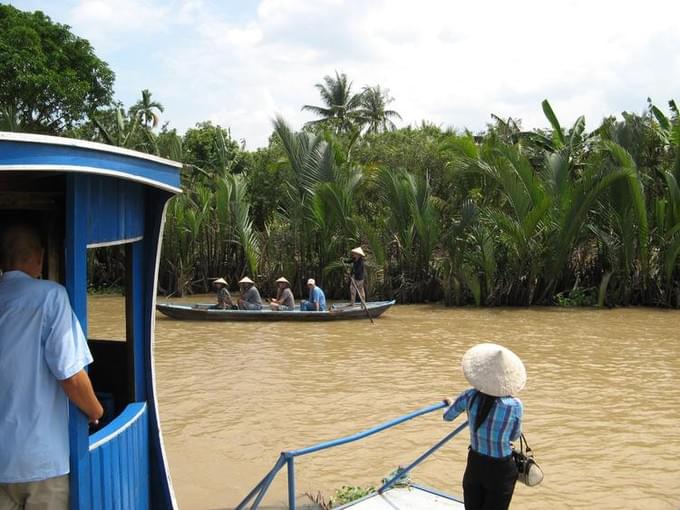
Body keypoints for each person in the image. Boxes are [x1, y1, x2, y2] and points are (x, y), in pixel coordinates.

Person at [0, 222, 104, 510]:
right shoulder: (50, 296)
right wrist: (95, 410)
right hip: (39, 460)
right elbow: (70, 374)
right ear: (40, 257)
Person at [443, 343, 526, 510]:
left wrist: (452, 404)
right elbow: (514, 436)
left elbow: (448, 416)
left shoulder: (469, 396)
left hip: (476, 463)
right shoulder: (514, 405)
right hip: (501, 468)